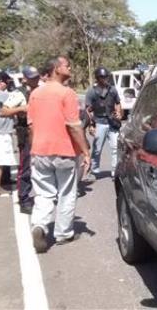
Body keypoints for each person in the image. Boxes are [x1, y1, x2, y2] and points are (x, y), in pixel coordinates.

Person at [28, 56, 89, 252]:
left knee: (44, 194)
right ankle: (63, 234)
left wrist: (33, 148)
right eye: (66, 65)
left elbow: (31, 126)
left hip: (40, 151)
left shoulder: (35, 93)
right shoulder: (67, 93)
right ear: (56, 69)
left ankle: (39, 225)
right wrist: (85, 152)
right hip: (64, 151)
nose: (69, 68)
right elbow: (73, 126)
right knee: (67, 193)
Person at [0, 66, 40, 212]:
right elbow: (3, 111)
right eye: (32, 77)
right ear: (25, 78)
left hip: (43, 132)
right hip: (26, 132)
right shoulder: (18, 93)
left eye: (36, 76)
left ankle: (45, 196)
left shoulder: (42, 90)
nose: (35, 79)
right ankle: (24, 198)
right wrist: (21, 109)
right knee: (26, 166)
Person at [85, 67, 122, 180]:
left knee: (115, 148)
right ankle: (94, 171)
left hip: (112, 122)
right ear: (97, 78)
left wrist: (119, 113)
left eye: (106, 76)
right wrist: (91, 124)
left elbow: (118, 103)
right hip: (99, 122)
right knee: (97, 149)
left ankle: (115, 171)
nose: (104, 79)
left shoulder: (113, 90)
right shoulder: (92, 91)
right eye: (102, 77)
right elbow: (87, 109)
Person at [0, 71, 17, 197]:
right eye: (7, 82)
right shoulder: (0, 94)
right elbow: (14, 105)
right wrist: (22, 109)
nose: (8, 85)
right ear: (1, 82)